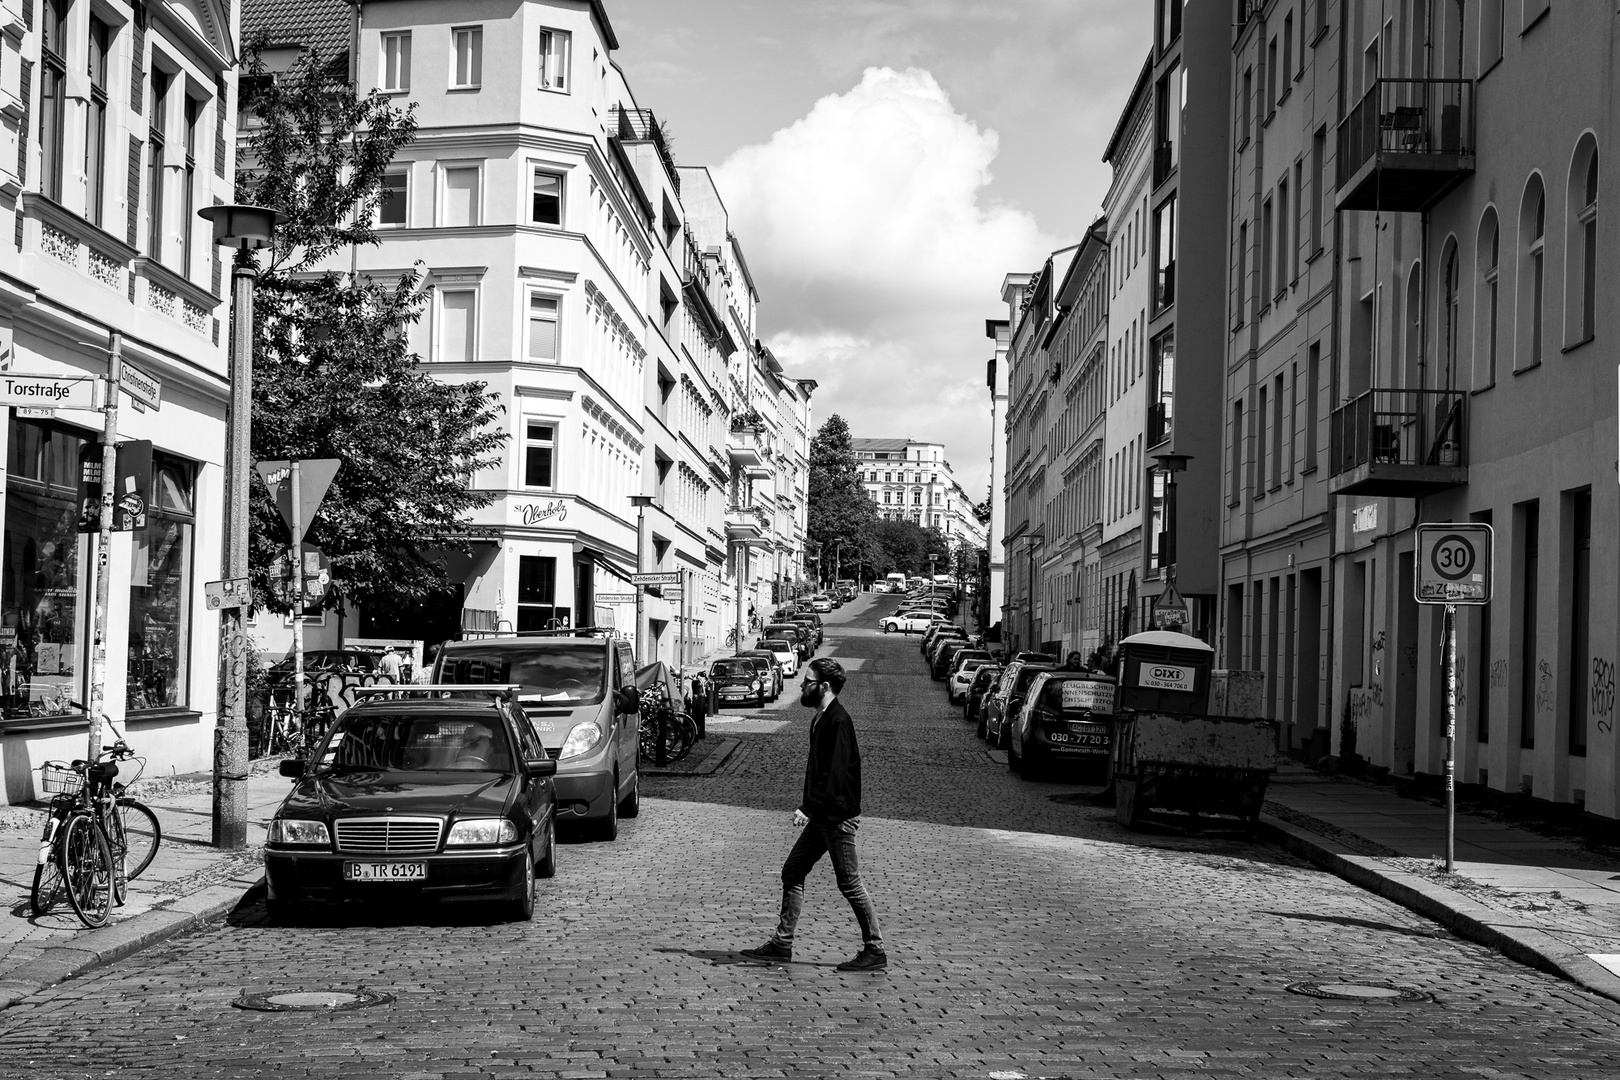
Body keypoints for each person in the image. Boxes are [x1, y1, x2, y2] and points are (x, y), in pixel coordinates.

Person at [741, 657, 886, 973]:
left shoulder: (838, 721)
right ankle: (782, 944)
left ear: (825, 686)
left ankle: (875, 949)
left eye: (808, 681)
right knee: (793, 870)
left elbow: (834, 776)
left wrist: (809, 808)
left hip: (836, 818)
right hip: (823, 816)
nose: (802, 685)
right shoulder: (820, 718)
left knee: (849, 883)